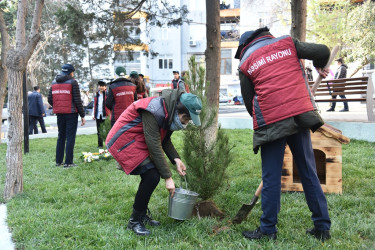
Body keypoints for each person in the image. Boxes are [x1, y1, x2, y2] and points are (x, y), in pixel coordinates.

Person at [235, 27, 331, 242]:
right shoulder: (287, 43)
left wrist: (265, 120)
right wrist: (318, 66)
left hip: (271, 122)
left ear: (244, 47)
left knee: (271, 178)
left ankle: (268, 230)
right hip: (300, 115)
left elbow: (250, 102)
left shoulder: (246, 63)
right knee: (308, 171)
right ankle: (322, 228)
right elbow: (323, 51)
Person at [106, 89, 202, 236]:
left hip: (138, 138)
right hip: (124, 140)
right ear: (180, 112)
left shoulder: (169, 111)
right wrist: (168, 177)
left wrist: (176, 159)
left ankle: (141, 215)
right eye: (186, 120)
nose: (185, 124)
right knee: (151, 175)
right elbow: (154, 145)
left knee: (150, 176)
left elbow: (165, 139)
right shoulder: (154, 111)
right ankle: (134, 221)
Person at [48, 64, 86, 168]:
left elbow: (50, 99)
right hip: (71, 113)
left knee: (61, 136)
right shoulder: (73, 82)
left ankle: (58, 161)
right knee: (70, 137)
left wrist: (58, 106)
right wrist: (82, 115)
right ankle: (68, 162)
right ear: (71, 72)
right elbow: (77, 100)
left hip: (59, 113)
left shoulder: (54, 82)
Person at [92, 80, 110, 148]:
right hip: (98, 114)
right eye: (100, 86)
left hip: (106, 114)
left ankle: (108, 144)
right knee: (99, 130)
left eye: (102, 86)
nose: (101, 87)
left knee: (108, 130)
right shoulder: (96, 95)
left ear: (105, 87)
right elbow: (95, 105)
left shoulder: (108, 94)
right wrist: (93, 115)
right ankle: (100, 145)